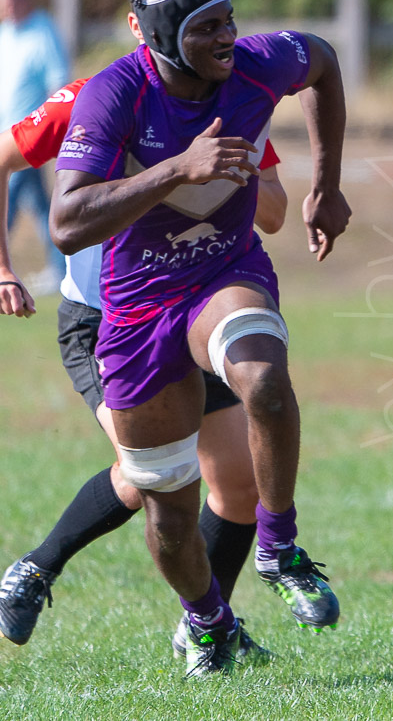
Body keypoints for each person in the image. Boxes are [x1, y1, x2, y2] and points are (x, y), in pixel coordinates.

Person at [50, 0, 351, 676]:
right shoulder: (113, 95)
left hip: (224, 271)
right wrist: (176, 169)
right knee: (171, 514)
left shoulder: (257, 64)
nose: (227, 38)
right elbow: (66, 221)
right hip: (137, 309)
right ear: (158, 34)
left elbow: (326, 63)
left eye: (230, 21)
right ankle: (208, 620)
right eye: (207, 28)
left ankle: (279, 546)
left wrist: (326, 186)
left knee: (266, 381)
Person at [0, 76, 288, 664]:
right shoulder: (96, 98)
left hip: (191, 311)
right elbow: (2, 158)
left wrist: (234, 169)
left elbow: (276, 214)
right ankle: (33, 569)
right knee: (153, 472)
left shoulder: (233, 96)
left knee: (238, 482)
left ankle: (206, 628)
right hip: (107, 326)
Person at [0, 0, 69, 293]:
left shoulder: (43, 31)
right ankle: (60, 269)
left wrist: (53, 131)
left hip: (32, 135)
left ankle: (7, 270)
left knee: (10, 202)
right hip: (5, 135)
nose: (7, 6)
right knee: (41, 207)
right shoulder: (5, 33)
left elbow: (58, 81)